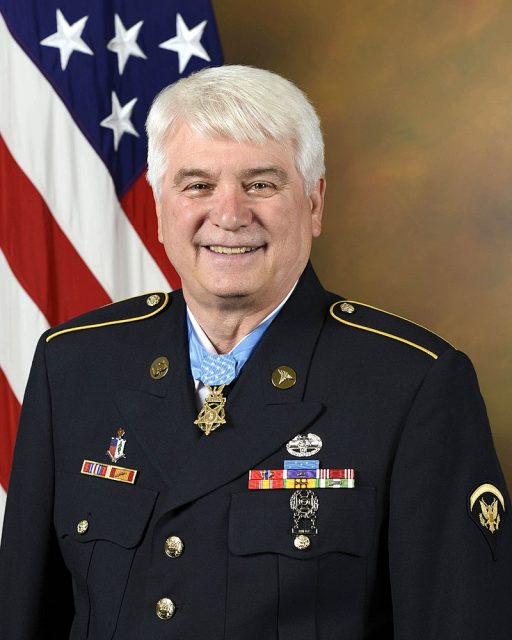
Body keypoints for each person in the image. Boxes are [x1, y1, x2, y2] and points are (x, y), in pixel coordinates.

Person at [0, 65, 510, 640]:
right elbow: (23, 615)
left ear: (314, 203)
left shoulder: (413, 385)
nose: (230, 214)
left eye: (261, 184)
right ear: (159, 207)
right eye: (197, 185)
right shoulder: (74, 364)